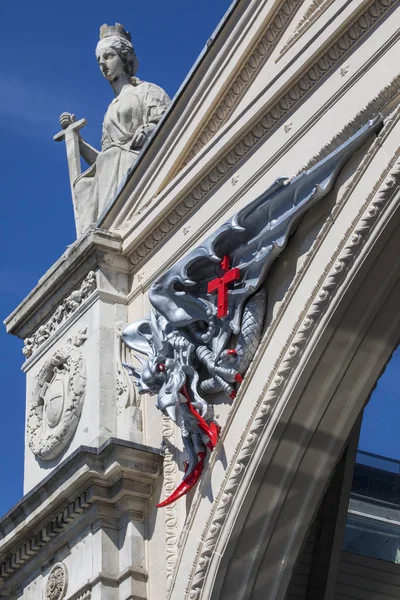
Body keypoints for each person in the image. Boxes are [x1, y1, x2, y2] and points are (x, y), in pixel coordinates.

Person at [61, 23, 170, 236]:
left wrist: (148, 130)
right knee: (83, 184)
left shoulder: (147, 91)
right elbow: (102, 160)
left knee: (111, 158)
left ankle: (111, 223)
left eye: (109, 56)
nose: (103, 64)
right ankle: (93, 239)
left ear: (124, 58)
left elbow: (168, 123)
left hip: (141, 160)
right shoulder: (110, 110)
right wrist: (78, 142)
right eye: (99, 60)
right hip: (114, 163)